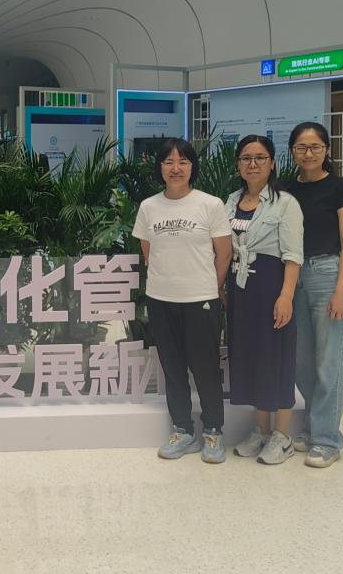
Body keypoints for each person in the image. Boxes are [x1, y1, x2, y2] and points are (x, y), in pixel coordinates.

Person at [132, 138, 233, 463]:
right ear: (160, 167)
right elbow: (149, 251)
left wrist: (209, 287)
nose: (176, 168)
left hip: (200, 298)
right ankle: (183, 430)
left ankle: (213, 431)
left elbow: (224, 253)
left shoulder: (210, 204)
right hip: (161, 299)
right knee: (173, 368)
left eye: (183, 162)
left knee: (205, 368)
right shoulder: (149, 206)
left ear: (192, 167)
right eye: (169, 162)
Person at [224, 135, 304, 465]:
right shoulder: (231, 200)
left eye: (260, 158)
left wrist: (286, 296)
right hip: (240, 288)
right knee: (250, 356)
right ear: (238, 165)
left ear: (272, 163)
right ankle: (260, 429)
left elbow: (293, 255)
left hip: (271, 286)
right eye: (246, 158)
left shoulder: (286, 203)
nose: (252, 164)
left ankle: (282, 436)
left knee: (277, 356)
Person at [284, 122, 343, 468]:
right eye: (301, 147)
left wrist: (341, 290)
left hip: (328, 275)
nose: (308, 153)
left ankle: (327, 439)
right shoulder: (286, 189)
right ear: (292, 151)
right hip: (294, 275)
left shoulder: (339, 188)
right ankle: (314, 427)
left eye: (315, 147)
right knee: (301, 362)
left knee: (330, 363)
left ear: (327, 149)